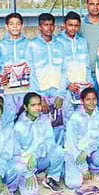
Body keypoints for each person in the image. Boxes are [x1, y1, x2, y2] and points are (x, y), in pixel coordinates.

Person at [26, 13, 68, 145]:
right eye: (45, 25)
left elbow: (64, 70)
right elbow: (31, 72)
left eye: (51, 25)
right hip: (41, 92)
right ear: (40, 27)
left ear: (54, 26)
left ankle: (59, 151)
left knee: (59, 124)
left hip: (57, 92)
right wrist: (40, 97)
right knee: (42, 124)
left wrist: (61, 94)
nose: (49, 28)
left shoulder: (60, 45)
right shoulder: (32, 45)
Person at [13, 92, 65, 195]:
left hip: (40, 158)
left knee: (58, 150)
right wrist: (27, 173)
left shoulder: (45, 120)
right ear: (25, 107)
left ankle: (51, 178)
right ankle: (22, 179)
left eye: (39, 104)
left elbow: (49, 142)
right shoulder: (18, 127)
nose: (37, 108)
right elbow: (16, 154)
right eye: (33, 105)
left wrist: (35, 155)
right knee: (30, 194)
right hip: (26, 164)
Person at [64, 88, 99, 189]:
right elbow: (71, 142)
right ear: (82, 101)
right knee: (74, 184)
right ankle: (67, 169)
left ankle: (93, 170)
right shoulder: (75, 117)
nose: (91, 102)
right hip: (75, 151)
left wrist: (86, 151)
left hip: (92, 148)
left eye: (94, 99)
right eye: (88, 99)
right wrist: (83, 168)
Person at [57, 11, 92, 122]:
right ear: (65, 25)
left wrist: (89, 82)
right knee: (67, 119)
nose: (73, 28)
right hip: (67, 89)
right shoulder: (57, 41)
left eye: (76, 25)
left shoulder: (82, 41)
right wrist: (67, 84)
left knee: (83, 118)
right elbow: (57, 68)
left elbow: (86, 65)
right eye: (70, 25)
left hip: (82, 87)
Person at [0, 12, 31, 127]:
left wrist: (30, 69)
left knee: (25, 122)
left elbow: (35, 64)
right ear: (7, 26)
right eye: (11, 24)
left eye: (17, 24)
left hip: (25, 90)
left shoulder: (29, 44)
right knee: (8, 121)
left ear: (22, 26)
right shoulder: (0, 45)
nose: (15, 27)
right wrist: (2, 73)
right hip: (8, 91)